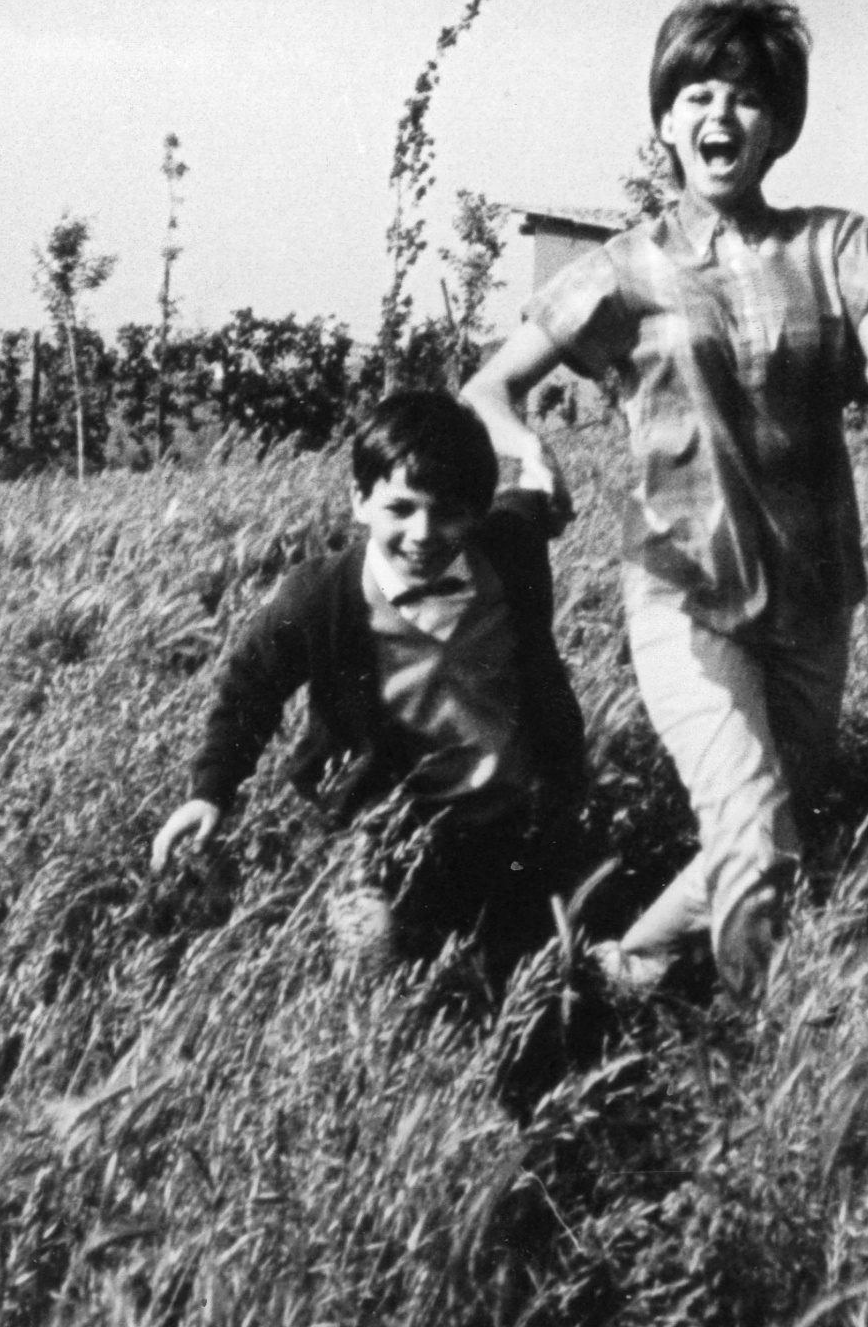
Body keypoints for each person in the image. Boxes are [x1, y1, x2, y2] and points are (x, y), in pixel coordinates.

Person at [463, 0, 868, 1007]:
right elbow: (488, 388)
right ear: (666, 121)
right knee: (758, 840)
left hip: (812, 597)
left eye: (747, 97)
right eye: (697, 96)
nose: (720, 115)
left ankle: (617, 972)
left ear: (779, 127)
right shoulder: (620, 269)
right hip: (682, 593)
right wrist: (526, 453)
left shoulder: (832, 243)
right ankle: (753, 1051)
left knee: (765, 828)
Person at [152, 387, 587, 981]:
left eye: (451, 510)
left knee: (541, 972)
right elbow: (250, 688)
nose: (424, 532)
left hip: (507, 818)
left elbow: (529, 502)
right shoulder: (317, 599)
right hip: (375, 828)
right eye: (401, 508)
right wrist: (211, 791)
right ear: (359, 501)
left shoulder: (508, 551)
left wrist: (541, 470)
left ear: (479, 510)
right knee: (372, 960)